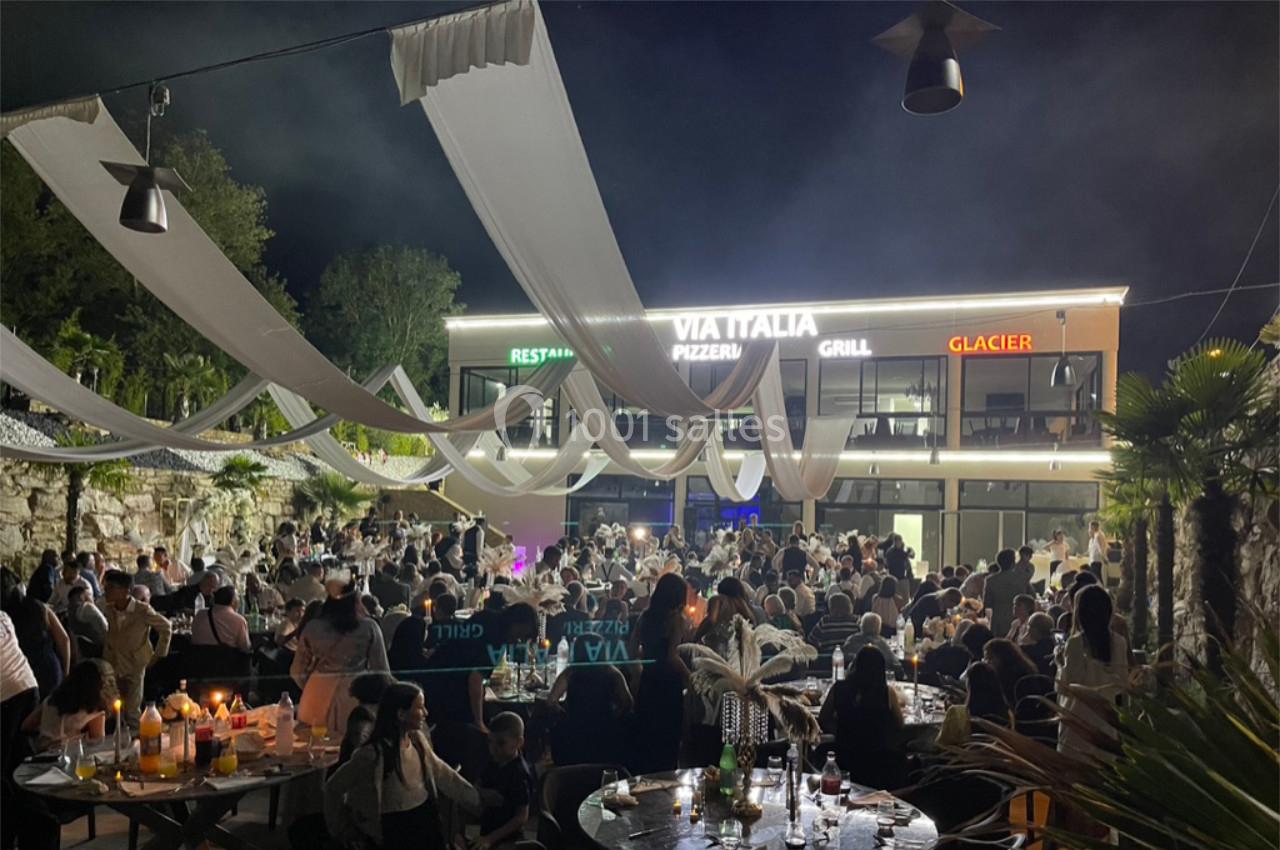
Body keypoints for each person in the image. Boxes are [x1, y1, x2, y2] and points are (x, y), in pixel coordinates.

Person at [324, 683, 480, 850]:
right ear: (401, 714)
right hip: (395, 831)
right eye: (420, 708)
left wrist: (476, 800)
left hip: (424, 822)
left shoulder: (418, 742)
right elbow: (333, 788)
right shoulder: (372, 755)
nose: (425, 713)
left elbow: (443, 774)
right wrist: (344, 830)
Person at [291, 593, 389, 736]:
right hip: (355, 694)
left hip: (316, 692)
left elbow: (296, 670)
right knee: (351, 746)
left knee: (312, 745)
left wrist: (311, 684)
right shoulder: (369, 627)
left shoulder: (313, 627)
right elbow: (381, 671)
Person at [818, 645, 907, 789]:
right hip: (878, 759)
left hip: (844, 756)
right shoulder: (887, 693)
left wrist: (841, 729)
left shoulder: (838, 689)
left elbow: (823, 718)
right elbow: (899, 725)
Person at [628, 573, 690, 773]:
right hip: (668, 686)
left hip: (648, 682)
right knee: (668, 741)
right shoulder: (676, 620)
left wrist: (639, 673)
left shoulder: (644, 616)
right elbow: (672, 656)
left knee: (646, 739)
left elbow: (631, 651)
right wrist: (691, 678)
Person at [1057, 586, 1128, 757]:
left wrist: (1060, 663)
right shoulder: (1119, 642)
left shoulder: (1075, 643)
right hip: (1105, 717)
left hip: (1078, 719)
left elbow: (1069, 686)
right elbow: (1121, 683)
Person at [547, 633, 632, 766]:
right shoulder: (612, 673)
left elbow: (551, 701)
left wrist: (564, 714)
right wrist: (612, 717)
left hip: (574, 731)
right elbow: (627, 702)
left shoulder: (571, 672)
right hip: (605, 733)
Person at [100, 570, 171, 724]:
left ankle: (137, 741)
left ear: (125, 591)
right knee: (113, 707)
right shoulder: (109, 609)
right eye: (106, 587)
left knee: (133, 708)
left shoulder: (142, 610)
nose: (106, 591)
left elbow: (166, 627)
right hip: (113, 661)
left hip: (135, 662)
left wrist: (158, 654)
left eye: (111, 588)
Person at [1, 568, 70, 701]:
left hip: (23, 674)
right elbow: (64, 639)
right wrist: (66, 672)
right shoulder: (40, 607)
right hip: (50, 668)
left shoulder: (4, 618)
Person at [22, 658, 116, 752]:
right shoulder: (93, 711)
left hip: (41, 753)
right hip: (68, 756)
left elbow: (27, 725)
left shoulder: (52, 699)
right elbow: (98, 743)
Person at [476, 712, 533, 849]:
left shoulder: (519, 774)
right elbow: (477, 783)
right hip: (488, 828)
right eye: (490, 742)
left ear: (519, 742)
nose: (493, 748)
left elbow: (522, 816)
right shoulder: (493, 761)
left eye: (501, 743)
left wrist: (491, 838)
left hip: (508, 837)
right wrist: (482, 792)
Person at [936, 660, 1012, 746]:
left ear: (970, 684)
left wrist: (949, 716)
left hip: (959, 756)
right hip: (993, 756)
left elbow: (942, 743)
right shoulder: (1008, 714)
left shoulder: (958, 713)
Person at [982, 549, 1032, 638]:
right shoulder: (1022, 578)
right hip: (1018, 619)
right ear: (1013, 562)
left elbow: (987, 604)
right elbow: (1030, 598)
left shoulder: (990, 580)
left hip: (998, 622)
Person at [191, 586, 252, 654]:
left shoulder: (200, 614)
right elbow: (245, 647)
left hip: (198, 660)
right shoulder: (239, 620)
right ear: (233, 601)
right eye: (237, 597)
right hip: (227, 662)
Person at [982, 638, 1038, 707]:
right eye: (985, 659)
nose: (986, 662)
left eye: (989, 658)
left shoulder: (1004, 678)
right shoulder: (1026, 669)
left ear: (1002, 657)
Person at [1020, 612, 1057, 677]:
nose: (1027, 630)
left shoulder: (1028, 651)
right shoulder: (1057, 647)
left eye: (1029, 626)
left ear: (1034, 629)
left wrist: (1022, 642)